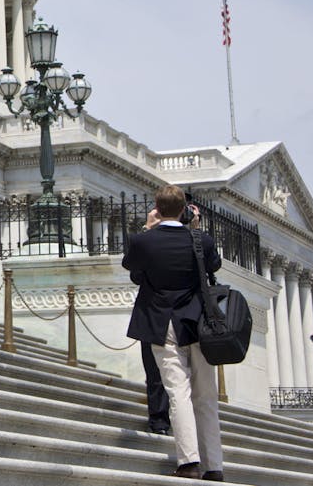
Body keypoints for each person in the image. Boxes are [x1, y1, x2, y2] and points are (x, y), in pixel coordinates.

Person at [122, 186, 223, 481]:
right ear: (184, 209)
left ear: (156, 206)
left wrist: (147, 227)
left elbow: (131, 266)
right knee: (206, 395)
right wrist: (195, 228)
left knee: (178, 391)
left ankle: (189, 460)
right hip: (198, 322)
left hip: (163, 321)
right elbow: (214, 265)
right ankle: (214, 465)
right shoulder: (200, 240)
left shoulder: (144, 241)